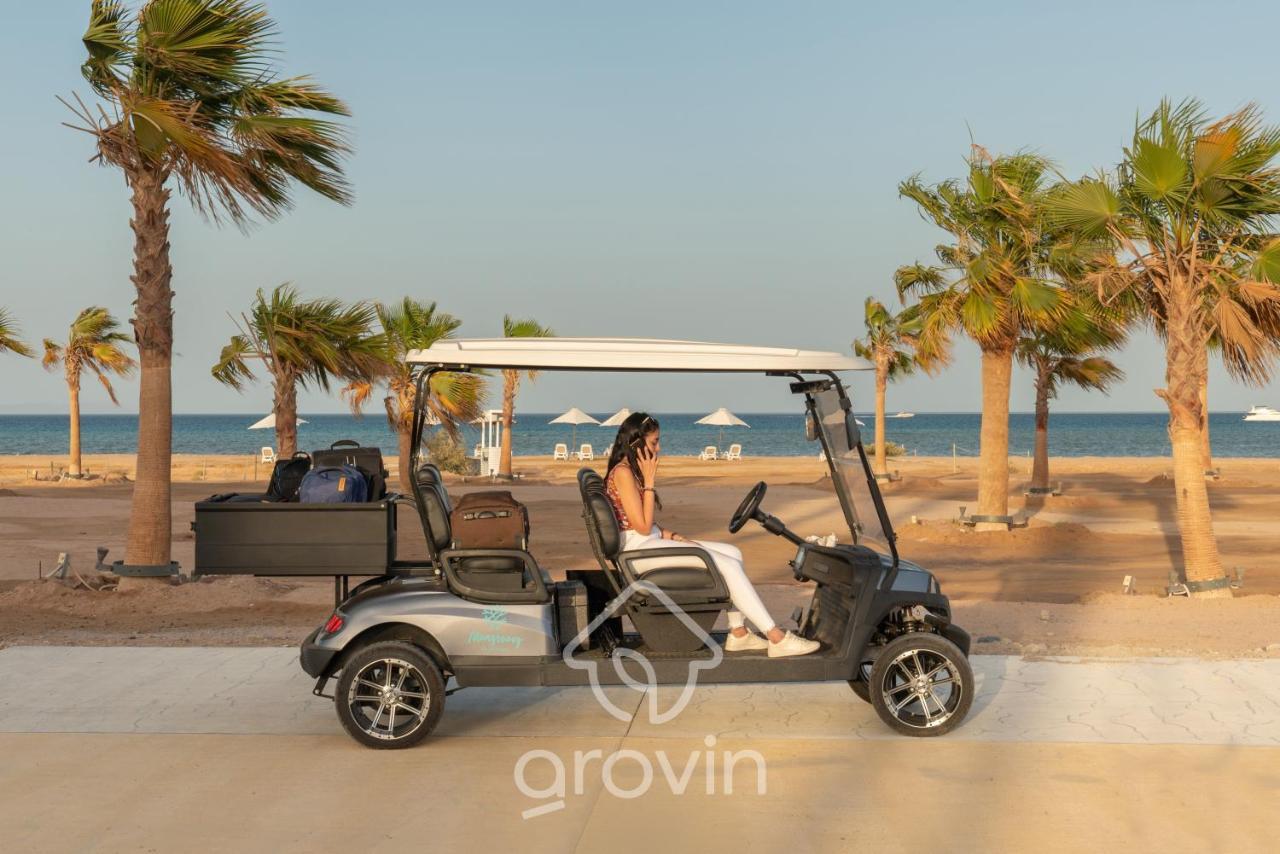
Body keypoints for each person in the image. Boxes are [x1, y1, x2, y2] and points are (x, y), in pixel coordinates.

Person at [604, 412, 821, 658]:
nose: (659, 448)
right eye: (654, 442)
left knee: (732, 552)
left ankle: (738, 633)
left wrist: (673, 536)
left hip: (648, 543)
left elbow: (641, 523)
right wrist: (650, 481)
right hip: (639, 553)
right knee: (726, 564)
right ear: (636, 443)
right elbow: (641, 527)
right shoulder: (623, 473)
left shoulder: (629, 471)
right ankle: (776, 637)